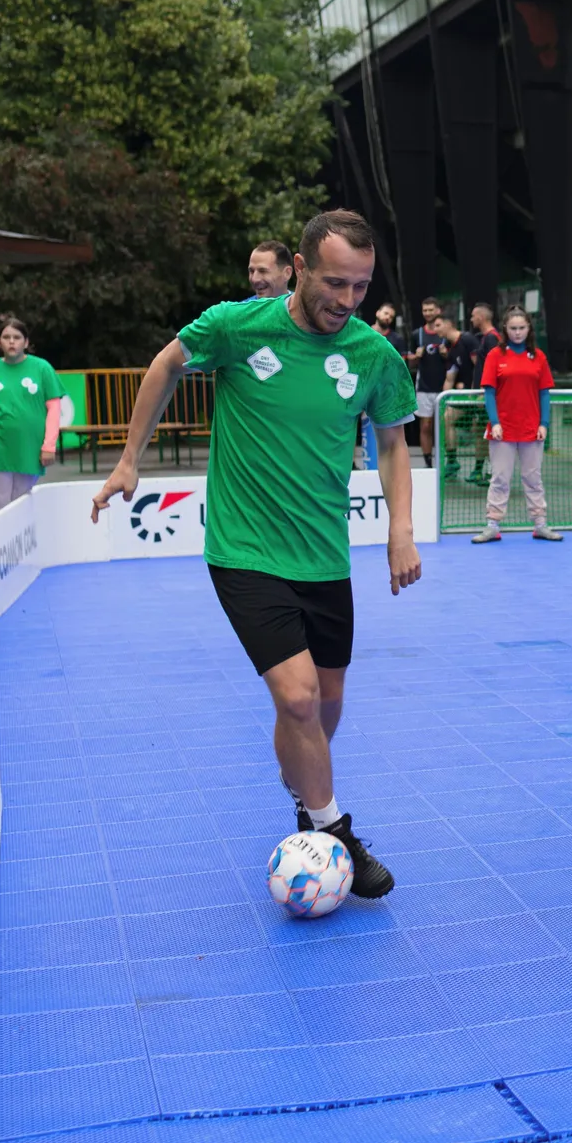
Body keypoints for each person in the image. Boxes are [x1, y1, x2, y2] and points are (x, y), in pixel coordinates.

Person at [90, 209, 419, 900]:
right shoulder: (236, 327)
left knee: (326, 705)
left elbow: (392, 441)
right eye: (335, 283)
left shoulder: (374, 355)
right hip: (244, 549)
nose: (348, 300)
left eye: (361, 286)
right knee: (297, 698)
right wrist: (128, 459)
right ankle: (335, 832)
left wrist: (401, 530)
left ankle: (304, 789)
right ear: (299, 269)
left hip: (324, 557)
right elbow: (167, 363)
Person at [473, 308, 562, 544]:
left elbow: (544, 393)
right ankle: (492, 525)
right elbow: (489, 393)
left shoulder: (539, 357)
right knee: (500, 478)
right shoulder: (495, 355)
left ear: (529, 329)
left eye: (522, 328)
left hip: (532, 429)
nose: (518, 332)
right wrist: (495, 423)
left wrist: (544, 423)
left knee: (534, 479)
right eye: (513, 328)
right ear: (505, 329)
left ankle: (540, 524)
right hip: (502, 430)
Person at [0, 315, 63, 514]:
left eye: (17, 337)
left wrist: (49, 445)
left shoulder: (42, 368)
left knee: (23, 509)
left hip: (30, 448)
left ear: (26, 342)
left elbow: (54, 408)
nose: (11, 342)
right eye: (6, 337)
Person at [448, 302, 500, 484]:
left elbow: (494, 368)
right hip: (478, 394)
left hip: (486, 395)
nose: (471, 319)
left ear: (481, 317)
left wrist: (486, 392)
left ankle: (493, 473)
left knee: (490, 434)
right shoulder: (485, 338)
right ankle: (479, 471)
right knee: (479, 431)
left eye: (473, 316)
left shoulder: (492, 338)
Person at [409, 311, 457, 471]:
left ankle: (449, 462)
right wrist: (416, 357)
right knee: (426, 426)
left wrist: (446, 355)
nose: (428, 313)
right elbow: (410, 364)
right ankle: (428, 463)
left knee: (445, 424)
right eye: (425, 310)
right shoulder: (417, 334)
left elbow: (456, 362)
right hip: (424, 388)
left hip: (444, 388)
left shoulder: (447, 336)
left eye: (431, 310)